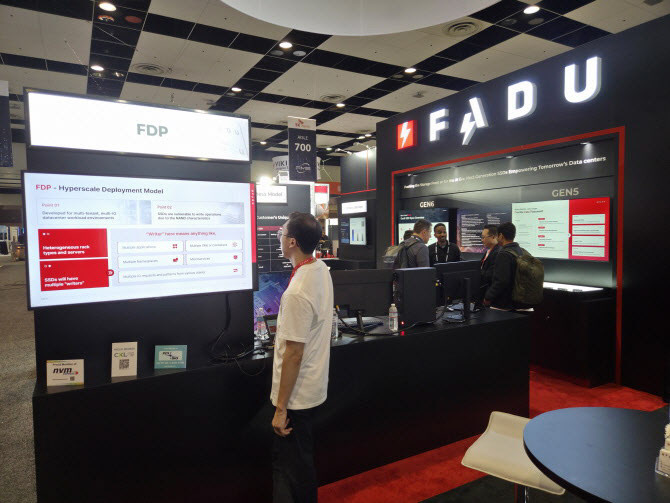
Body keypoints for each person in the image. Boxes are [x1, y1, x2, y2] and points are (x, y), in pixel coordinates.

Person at [271, 212, 334, 503]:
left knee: (291, 470)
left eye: (282, 233)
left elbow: (294, 354)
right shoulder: (319, 269)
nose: (279, 237)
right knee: (301, 462)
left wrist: (281, 408)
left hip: (296, 397)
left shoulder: (297, 292)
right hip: (313, 386)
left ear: (292, 242)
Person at [483, 222, 523, 310]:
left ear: (501, 236)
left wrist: (488, 297)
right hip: (518, 301)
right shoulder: (520, 251)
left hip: (505, 303)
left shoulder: (503, 254)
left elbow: (501, 281)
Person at [479, 224, 500, 299]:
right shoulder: (488, 251)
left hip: (490, 294)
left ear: (493, 237)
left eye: (483, 237)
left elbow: (490, 276)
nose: (482, 240)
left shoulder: (498, 253)